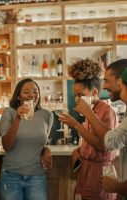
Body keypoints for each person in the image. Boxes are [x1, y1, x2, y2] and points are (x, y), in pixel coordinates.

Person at [60, 59, 127, 198]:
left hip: (99, 172)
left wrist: (76, 125)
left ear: (94, 92)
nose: (77, 99)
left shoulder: (106, 111)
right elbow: (91, 141)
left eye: (80, 95)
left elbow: (103, 146)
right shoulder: (90, 109)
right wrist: (79, 150)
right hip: (86, 170)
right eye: (75, 95)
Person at [0, 78, 53, 200]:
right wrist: (18, 118)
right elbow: (7, 146)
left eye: (35, 91)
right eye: (27, 92)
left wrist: (46, 149)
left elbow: (42, 142)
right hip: (11, 175)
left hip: (37, 176)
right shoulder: (9, 112)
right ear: (18, 96)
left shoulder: (47, 115)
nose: (32, 95)